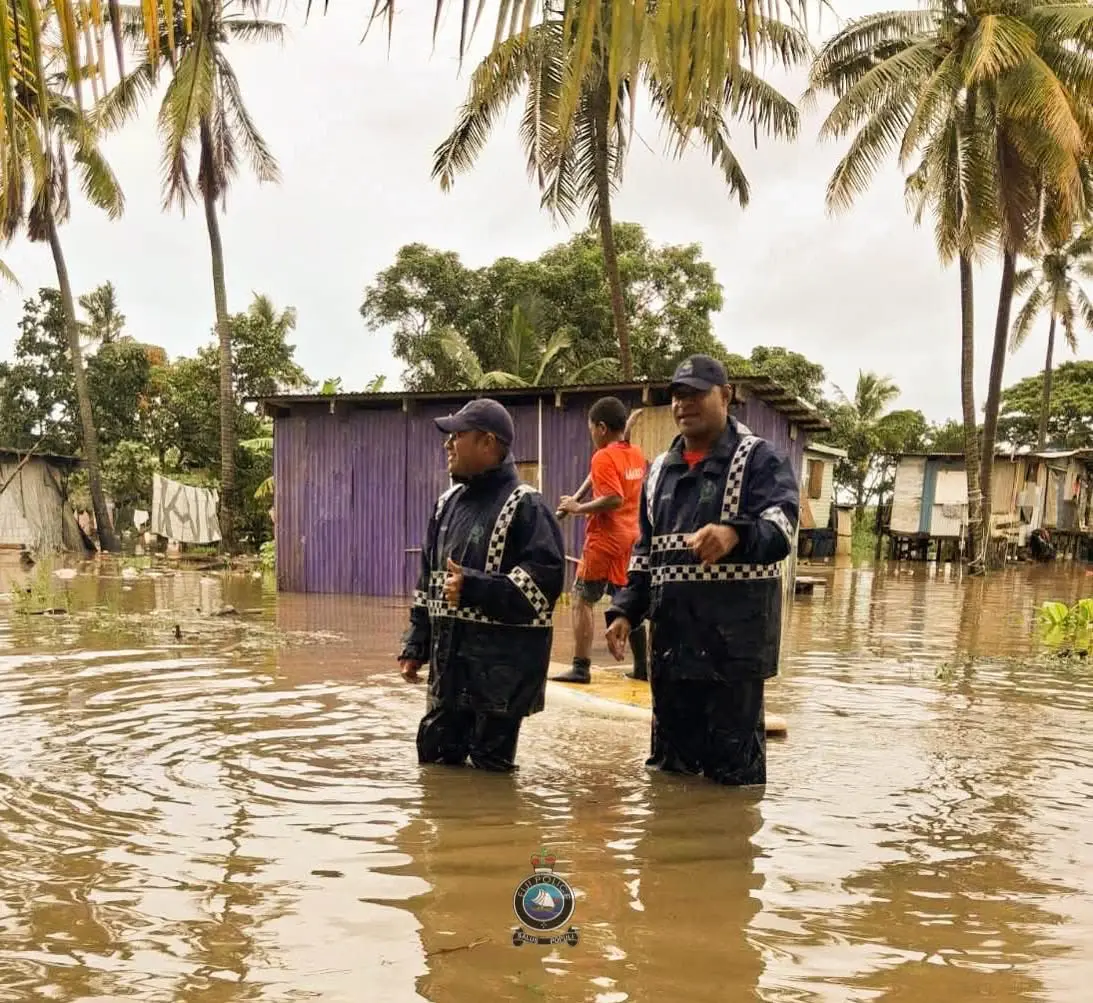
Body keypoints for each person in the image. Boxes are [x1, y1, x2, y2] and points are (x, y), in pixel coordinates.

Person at [604, 354, 800, 787]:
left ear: (726, 396)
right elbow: (645, 555)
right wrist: (624, 611)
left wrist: (735, 534)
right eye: (677, 395)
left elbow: (781, 530)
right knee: (669, 782)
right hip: (673, 656)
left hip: (734, 659)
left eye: (695, 394)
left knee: (735, 787)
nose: (682, 404)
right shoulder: (659, 472)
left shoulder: (759, 460)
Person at [398, 398, 566, 772]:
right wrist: (415, 643)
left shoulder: (527, 506)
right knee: (436, 763)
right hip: (449, 673)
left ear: (488, 443)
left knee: (491, 776)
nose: (447, 445)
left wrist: (475, 587)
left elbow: (542, 590)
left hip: (499, 686)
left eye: (457, 436)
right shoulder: (445, 506)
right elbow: (427, 585)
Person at [552, 397, 649, 683]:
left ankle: (580, 667)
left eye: (591, 428)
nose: (591, 434)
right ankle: (643, 668)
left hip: (605, 540)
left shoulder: (603, 457)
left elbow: (614, 498)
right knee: (628, 602)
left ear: (602, 428)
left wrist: (577, 507)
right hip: (631, 538)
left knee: (581, 599)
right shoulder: (635, 454)